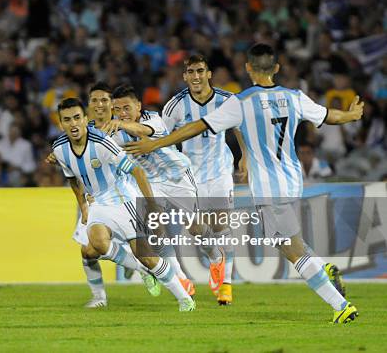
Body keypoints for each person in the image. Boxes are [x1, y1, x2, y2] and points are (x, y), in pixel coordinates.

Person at [125, 43, 363, 323]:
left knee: (292, 249)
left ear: (248, 68)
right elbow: (328, 115)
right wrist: (350, 115)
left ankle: (341, 305)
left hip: (268, 187)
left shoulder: (241, 102)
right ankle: (325, 270)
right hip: (292, 181)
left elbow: (197, 127)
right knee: (287, 243)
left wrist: (158, 143)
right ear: (276, 68)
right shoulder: (294, 96)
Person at [53, 97, 195, 311]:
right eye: (67, 120)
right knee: (95, 244)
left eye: (76, 118)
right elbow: (72, 178)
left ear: (85, 119)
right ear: (61, 124)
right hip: (99, 203)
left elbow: (136, 170)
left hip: (122, 198)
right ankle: (115, 286)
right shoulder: (59, 149)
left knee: (148, 257)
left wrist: (151, 205)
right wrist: (83, 205)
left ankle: (184, 299)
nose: (73, 124)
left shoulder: (102, 143)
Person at [49, 83, 161, 308]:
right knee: (88, 251)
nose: (99, 105)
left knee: (149, 252)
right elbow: (70, 158)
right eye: (94, 101)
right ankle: (99, 297)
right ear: (88, 107)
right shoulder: (82, 128)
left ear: (113, 105)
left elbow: (152, 137)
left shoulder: (125, 128)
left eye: (104, 101)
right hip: (95, 200)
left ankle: (174, 284)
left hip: (125, 196)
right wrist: (56, 156)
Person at [161, 55, 245, 305]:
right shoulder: (174, 106)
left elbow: (240, 128)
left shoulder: (227, 100)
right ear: (185, 76)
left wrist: (245, 158)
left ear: (209, 74)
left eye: (200, 70)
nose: (196, 76)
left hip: (219, 172)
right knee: (196, 229)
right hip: (189, 176)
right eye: (191, 72)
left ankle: (226, 286)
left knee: (221, 227)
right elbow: (162, 139)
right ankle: (213, 257)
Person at [103, 84, 197, 296]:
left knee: (195, 227)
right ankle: (180, 278)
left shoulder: (153, 119)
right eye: (116, 110)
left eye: (126, 108)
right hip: (149, 181)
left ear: (139, 106)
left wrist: (119, 124)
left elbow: (142, 131)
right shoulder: (115, 133)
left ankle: (215, 255)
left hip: (177, 176)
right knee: (156, 228)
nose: (122, 114)